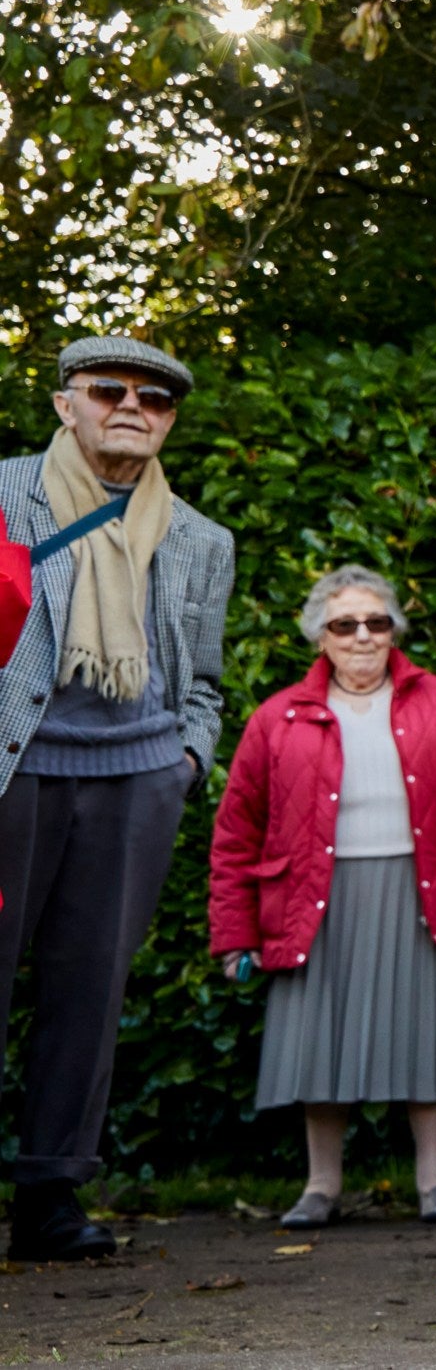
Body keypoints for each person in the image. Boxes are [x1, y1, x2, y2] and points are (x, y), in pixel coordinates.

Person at [0, 336, 234, 1262]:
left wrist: (184, 763)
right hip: (14, 771)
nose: (132, 406)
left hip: (134, 780)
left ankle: (51, 1200)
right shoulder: (6, 495)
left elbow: (204, 680)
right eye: (109, 390)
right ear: (67, 404)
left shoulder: (200, 539)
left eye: (156, 399)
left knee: (89, 992)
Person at [208, 568, 436, 1228]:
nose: (363, 636)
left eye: (377, 622)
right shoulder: (276, 717)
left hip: (422, 890)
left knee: (429, 1037)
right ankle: (320, 1185)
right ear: (319, 637)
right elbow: (236, 833)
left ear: (394, 629)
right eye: (345, 625)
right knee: (320, 1039)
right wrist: (234, 935)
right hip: (316, 897)